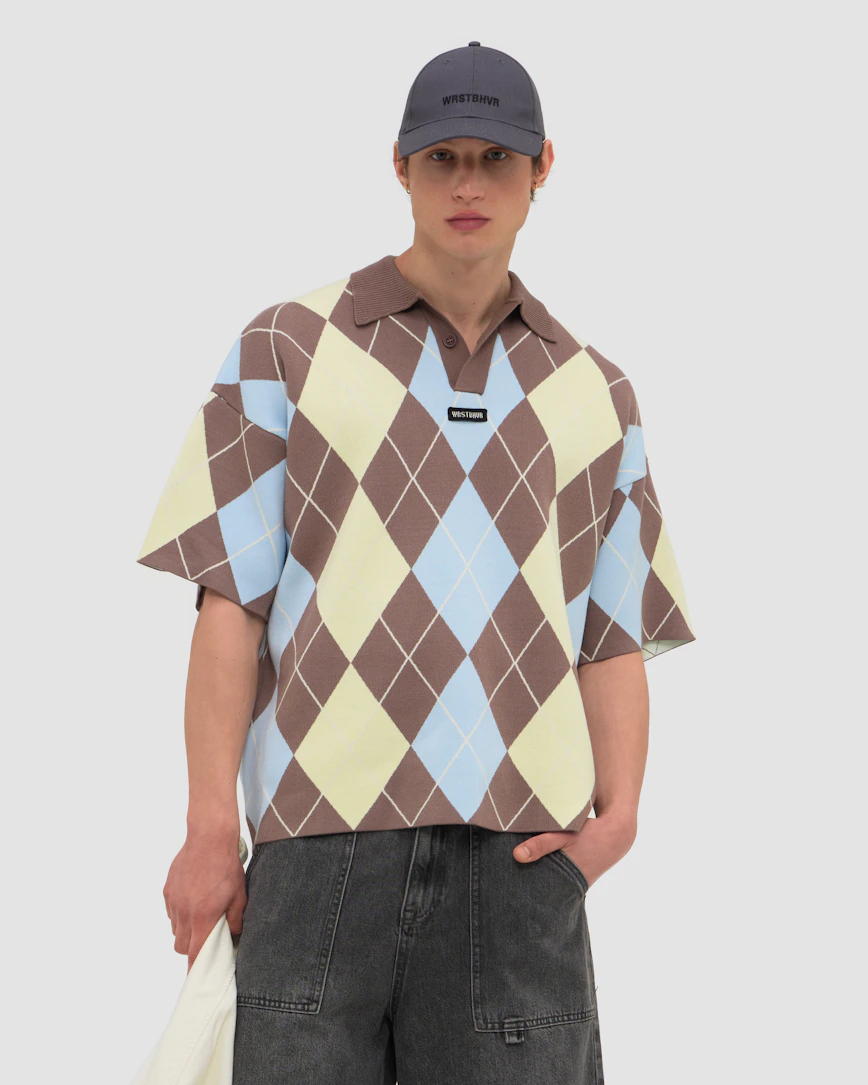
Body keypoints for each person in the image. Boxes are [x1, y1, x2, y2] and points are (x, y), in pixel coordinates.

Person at [137, 40, 696, 1085]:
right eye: (443, 157)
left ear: (542, 167)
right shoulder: (286, 347)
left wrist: (617, 817)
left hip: (519, 857)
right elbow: (230, 602)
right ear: (399, 165)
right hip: (319, 847)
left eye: (495, 157)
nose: (468, 183)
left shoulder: (595, 390)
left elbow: (610, 627)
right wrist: (210, 825)